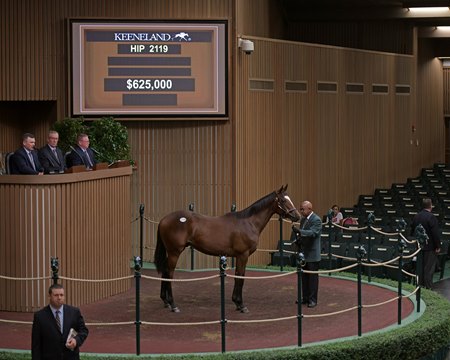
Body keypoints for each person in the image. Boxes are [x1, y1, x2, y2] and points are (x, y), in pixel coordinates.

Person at [32, 283, 89, 360]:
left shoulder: (74, 312)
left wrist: (76, 340)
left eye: (61, 295)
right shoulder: (40, 316)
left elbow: (83, 330)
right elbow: (36, 344)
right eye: (56, 295)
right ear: (49, 296)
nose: (59, 298)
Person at [291, 200, 322, 308]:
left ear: (309, 209)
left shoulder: (317, 220)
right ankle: (305, 298)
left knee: (313, 279)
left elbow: (313, 233)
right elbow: (304, 234)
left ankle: (313, 300)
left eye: (302, 209)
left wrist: (300, 232)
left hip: (313, 255)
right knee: (304, 278)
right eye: (300, 209)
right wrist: (298, 239)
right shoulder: (303, 220)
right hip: (304, 253)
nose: (301, 211)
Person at [411, 198, 441, 289]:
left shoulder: (416, 216)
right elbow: (435, 233)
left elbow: (412, 231)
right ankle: (428, 289)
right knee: (428, 269)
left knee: (420, 268)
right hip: (429, 247)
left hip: (419, 247)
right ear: (430, 206)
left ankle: (419, 287)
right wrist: (438, 246)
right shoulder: (431, 217)